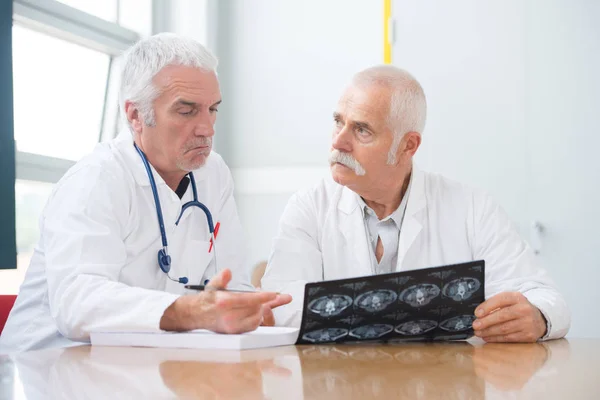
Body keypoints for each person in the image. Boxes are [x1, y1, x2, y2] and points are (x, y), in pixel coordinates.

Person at [0, 33, 291, 354]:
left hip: (144, 365)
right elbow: (77, 302)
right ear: (135, 115)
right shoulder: (95, 179)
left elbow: (231, 284)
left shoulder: (213, 174)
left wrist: (248, 309)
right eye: (187, 111)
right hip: (44, 367)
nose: (207, 128)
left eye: (213, 109)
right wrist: (191, 311)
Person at [261, 65, 569, 342]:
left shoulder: (472, 208)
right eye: (338, 122)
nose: (338, 142)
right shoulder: (309, 207)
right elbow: (278, 307)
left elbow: (546, 299)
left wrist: (538, 318)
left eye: (361, 129)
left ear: (408, 145)